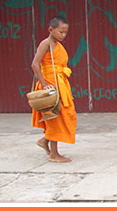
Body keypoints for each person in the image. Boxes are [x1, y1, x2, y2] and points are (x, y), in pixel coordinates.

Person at [31, 16, 77, 163]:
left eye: (65, 32)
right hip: (50, 84)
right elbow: (35, 64)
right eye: (60, 32)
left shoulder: (56, 44)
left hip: (60, 83)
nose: (63, 35)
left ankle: (44, 141)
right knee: (54, 118)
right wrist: (44, 85)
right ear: (51, 29)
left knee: (65, 116)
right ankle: (54, 154)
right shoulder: (46, 44)